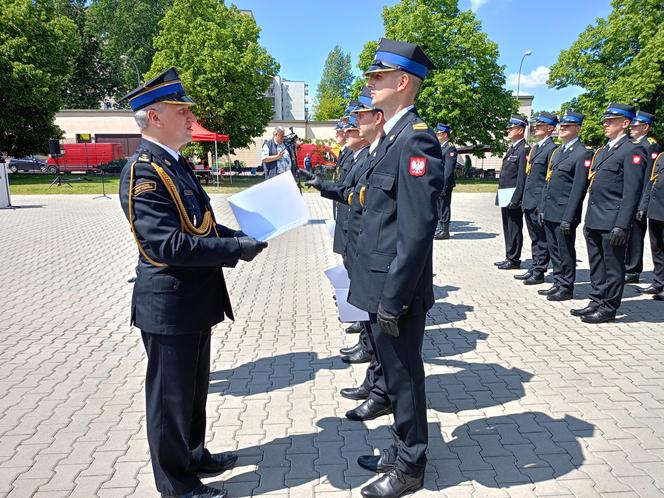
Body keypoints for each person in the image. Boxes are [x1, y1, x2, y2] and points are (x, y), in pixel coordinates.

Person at [117, 67, 267, 498]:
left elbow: (201, 225)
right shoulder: (144, 170)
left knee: (193, 391)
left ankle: (194, 454)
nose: (189, 116)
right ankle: (177, 485)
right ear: (154, 117)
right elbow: (167, 246)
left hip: (194, 300)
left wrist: (237, 237)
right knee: (169, 401)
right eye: (180, 109)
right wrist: (234, 249)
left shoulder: (174, 163)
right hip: (169, 304)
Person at [347, 39, 441, 498]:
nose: (370, 84)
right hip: (378, 285)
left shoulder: (416, 139)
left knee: (405, 378)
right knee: (395, 375)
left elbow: (416, 232)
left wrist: (396, 297)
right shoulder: (392, 138)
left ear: (402, 82)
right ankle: (402, 445)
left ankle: (411, 466)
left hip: (395, 291)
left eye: (378, 77)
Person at [572, 102, 646, 323]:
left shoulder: (632, 150)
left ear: (624, 123)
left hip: (613, 220)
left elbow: (632, 192)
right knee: (597, 265)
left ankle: (608, 308)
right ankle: (596, 300)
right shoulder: (604, 150)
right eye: (605, 120)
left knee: (613, 267)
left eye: (611, 121)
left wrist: (622, 225)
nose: (605, 124)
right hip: (595, 219)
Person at [539, 111, 592, 301]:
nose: (562, 128)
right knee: (554, 249)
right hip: (551, 209)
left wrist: (569, 217)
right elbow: (549, 182)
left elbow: (578, 189)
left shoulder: (582, 153)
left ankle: (567, 286)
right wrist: (543, 207)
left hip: (564, 212)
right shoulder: (558, 151)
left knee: (565, 250)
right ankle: (558, 282)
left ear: (577, 128)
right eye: (562, 125)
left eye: (567, 126)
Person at [515, 112, 558, 285]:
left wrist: (543, 204)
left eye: (540, 125)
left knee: (542, 239)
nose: (536, 128)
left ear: (550, 128)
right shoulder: (536, 148)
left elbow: (548, 180)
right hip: (529, 200)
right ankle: (535, 266)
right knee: (534, 238)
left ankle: (540, 270)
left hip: (539, 201)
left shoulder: (551, 149)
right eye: (536, 125)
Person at [626, 111, 660, 284]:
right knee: (626, 233)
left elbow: (649, 177)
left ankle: (633, 270)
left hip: (640, 197)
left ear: (645, 127)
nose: (632, 128)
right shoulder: (633, 144)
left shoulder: (650, 146)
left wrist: (642, 204)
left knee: (635, 234)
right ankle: (627, 266)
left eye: (635, 125)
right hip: (629, 197)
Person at [495, 115, 530, 270]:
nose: (508, 130)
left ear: (520, 130)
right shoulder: (513, 148)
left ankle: (514, 259)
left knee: (514, 226)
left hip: (513, 193)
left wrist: (517, 198)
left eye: (512, 128)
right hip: (505, 192)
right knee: (507, 226)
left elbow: (522, 176)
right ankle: (509, 255)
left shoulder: (524, 149)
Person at [637, 152, 664, 300]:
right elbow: (651, 182)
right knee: (657, 249)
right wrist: (643, 206)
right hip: (655, 211)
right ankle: (658, 282)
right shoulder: (661, 157)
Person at [433, 123, 457, 240]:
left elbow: (448, 170)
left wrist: (444, 185)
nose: (437, 135)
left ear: (445, 135)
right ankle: (439, 228)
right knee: (438, 206)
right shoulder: (440, 147)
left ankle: (445, 231)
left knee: (444, 206)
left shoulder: (450, 148)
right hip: (439, 183)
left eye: (439, 133)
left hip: (445, 184)